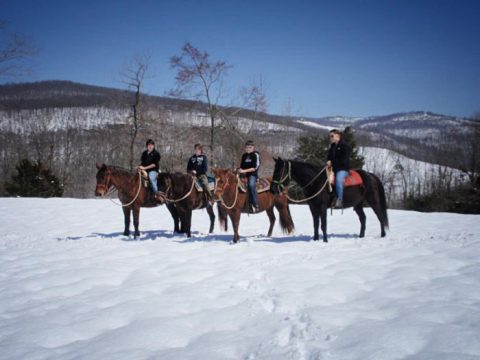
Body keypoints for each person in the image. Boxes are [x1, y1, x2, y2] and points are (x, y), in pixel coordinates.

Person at [327, 129, 350, 208]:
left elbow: (343, 160)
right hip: (333, 168)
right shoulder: (332, 146)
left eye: (332, 136)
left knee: (338, 180)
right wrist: (328, 161)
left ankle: (340, 200)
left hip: (342, 168)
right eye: (330, 136)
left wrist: (332, 163)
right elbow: (329, 157)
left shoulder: (344, 146)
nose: (330, 138)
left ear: (338, 136)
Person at [238, 140, 260, 212]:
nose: (248, 149)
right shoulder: (244, 155)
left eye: (250, 147)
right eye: (247, 147)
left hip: (252, 175)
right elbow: (242, 166)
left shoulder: (255, 155)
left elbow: (254, 168)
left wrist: (243, 171)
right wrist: (238, 170)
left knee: (251, 185)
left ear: (253, 148)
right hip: (243, 175)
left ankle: (255, 204)